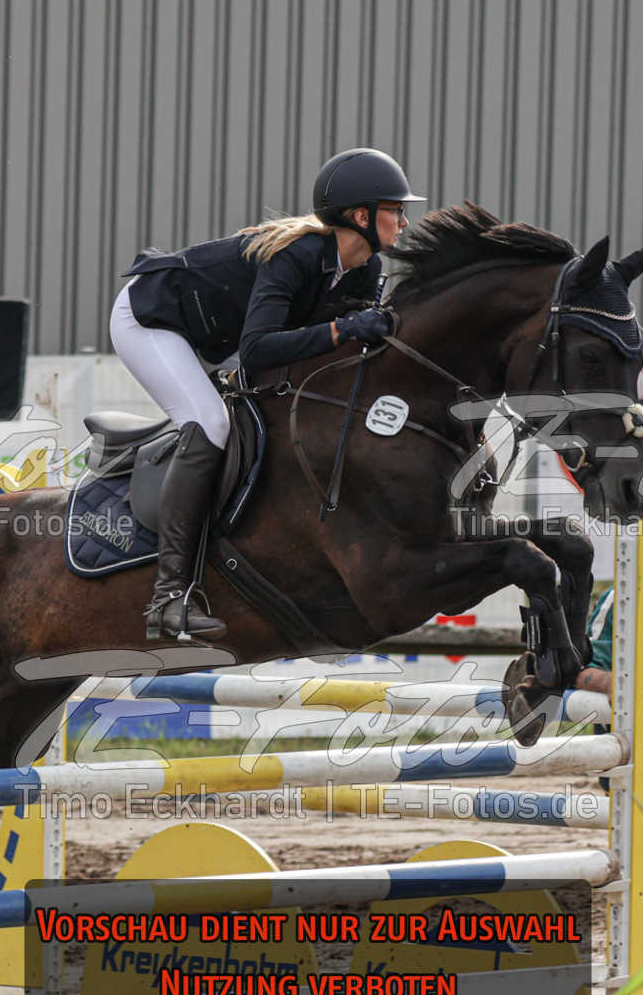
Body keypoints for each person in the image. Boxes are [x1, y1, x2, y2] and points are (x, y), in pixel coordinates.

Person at [112, 148, 423, 641]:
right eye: (395, 210)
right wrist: (342, 329)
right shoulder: (296, 256)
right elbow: (258, 351)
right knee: (210, 423)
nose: (404, 222)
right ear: (361, 217)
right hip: (153, 320)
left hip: (218, 339)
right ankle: (168, 596)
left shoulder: (366, 268)